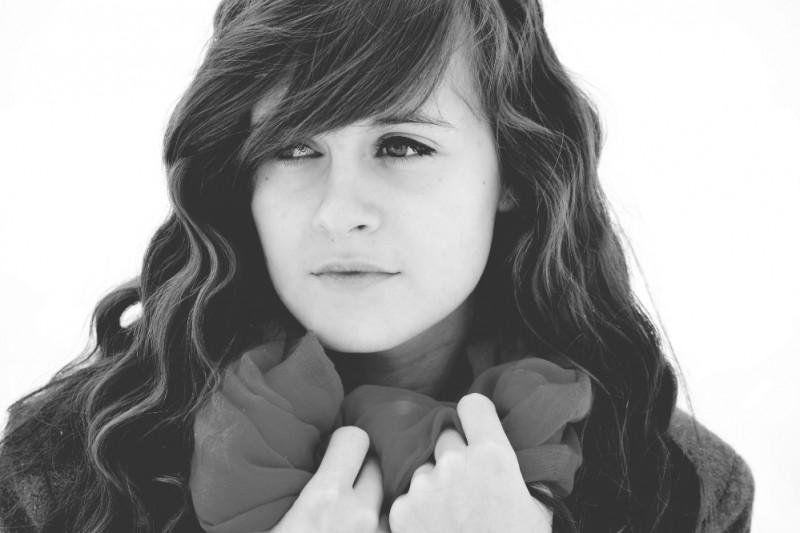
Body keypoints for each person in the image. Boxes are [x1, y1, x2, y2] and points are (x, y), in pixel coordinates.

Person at [0, 0, 754, 531]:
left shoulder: (682, 486)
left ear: (515, 172)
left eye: (402, 145)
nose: (339, 211)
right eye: (295, 148)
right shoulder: (64, 470)